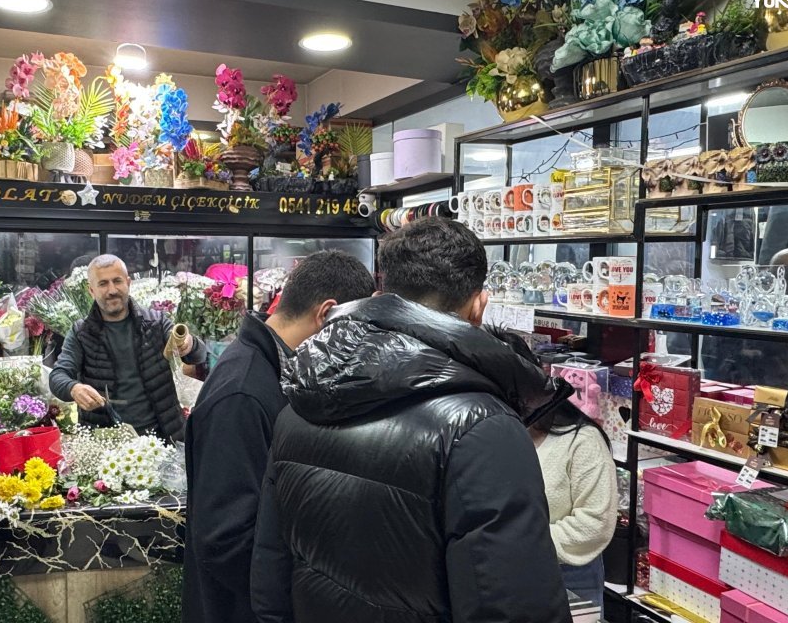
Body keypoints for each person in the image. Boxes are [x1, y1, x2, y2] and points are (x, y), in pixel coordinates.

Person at [250, 217, 572, 623]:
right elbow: (513, 605)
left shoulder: (303, 398)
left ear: (383, 295)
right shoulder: (481, 429)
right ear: (479, 306)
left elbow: (270, 574)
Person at [183, 251, 376, 623]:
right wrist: (305, 599)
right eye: (355, 329)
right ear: (326, 314)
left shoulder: (274, 369)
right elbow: (225, 539)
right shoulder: (242, 392)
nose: (355, 344)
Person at [49, 254, 207, 441]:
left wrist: (189, 344)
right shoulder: (81, 332)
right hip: (107, 440)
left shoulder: (156, 322)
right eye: (103, 284)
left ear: (128, 282)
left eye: (117, 281)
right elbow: (58, 376)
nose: (112, 290)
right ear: (91, 290)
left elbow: (198, 355)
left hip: (162, 435)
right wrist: (74, 388)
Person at [528, 388, 618, 612]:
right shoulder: (498, 435)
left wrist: (520, 543)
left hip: (570, 572)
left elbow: (595, 523)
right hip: (509, 570)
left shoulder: (582, 440)